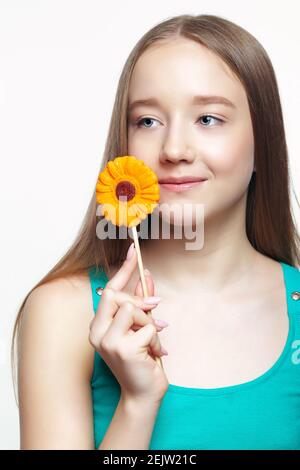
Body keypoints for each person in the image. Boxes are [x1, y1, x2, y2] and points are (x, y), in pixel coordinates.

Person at [12, 14, 300, 450]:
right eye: (147, 121)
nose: (174, 150)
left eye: (208, 119)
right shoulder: (63, 313)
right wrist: (138, 404)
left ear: (263, 142)